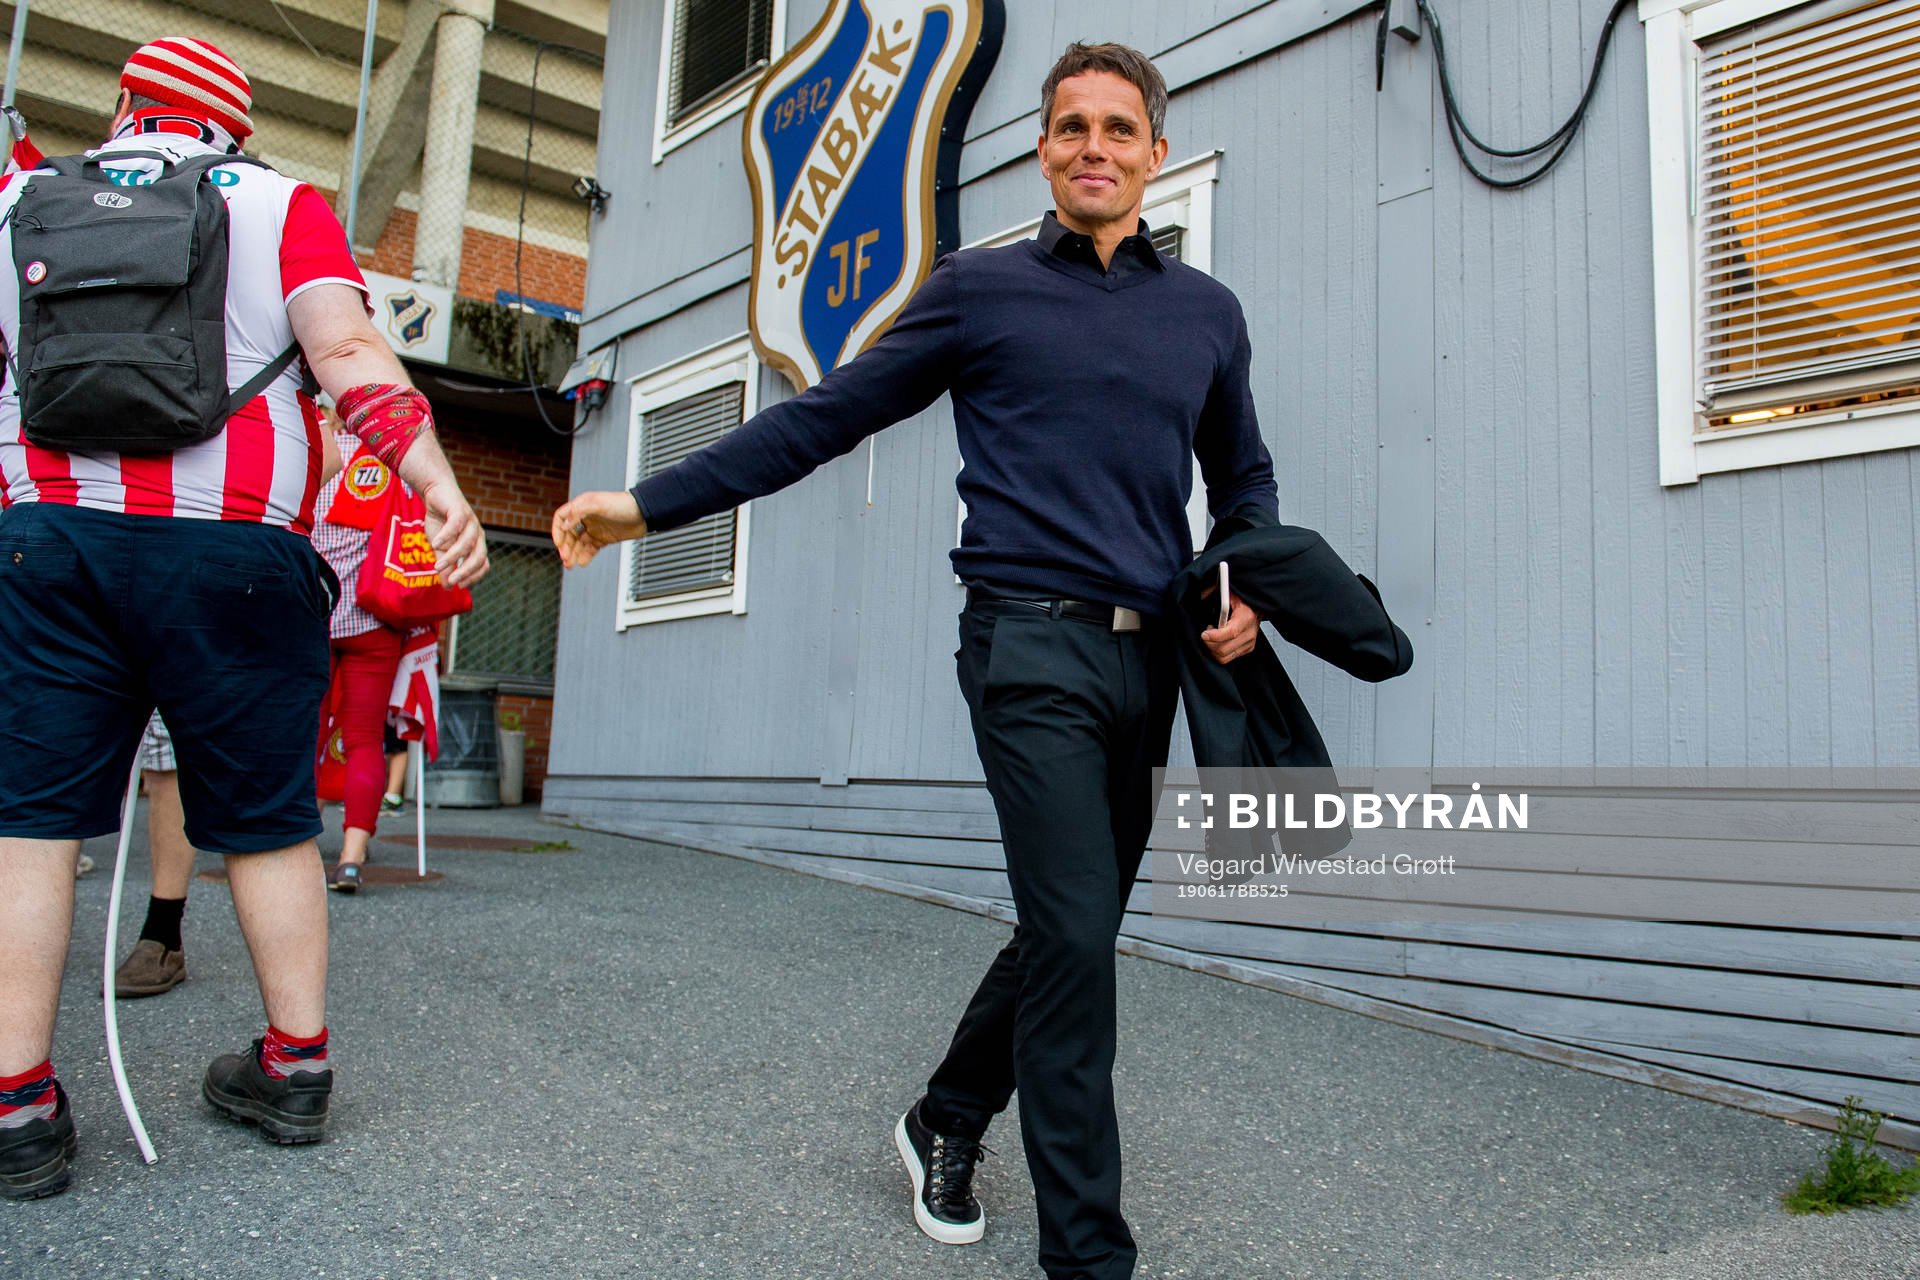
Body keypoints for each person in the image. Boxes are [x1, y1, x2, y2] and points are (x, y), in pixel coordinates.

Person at [554, 43, 1271, 1280]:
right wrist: (646, 506)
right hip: (1026, 645)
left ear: (1155, 151)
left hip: (1151, 659)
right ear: (1041, 149)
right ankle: (1089, 1258)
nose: (1093, 147)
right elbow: (822, 416)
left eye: (1118, 128)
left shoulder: (1207, 313)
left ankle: (947, 1111)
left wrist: (1241, 576)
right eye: (1071, 126)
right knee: (1077, 947)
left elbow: (1244, 475)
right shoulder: (979, 290)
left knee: (1072, 927)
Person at [0, 37, 488, 1200]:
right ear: (234, 127)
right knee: (266, 821)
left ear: (126, 105)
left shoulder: (23, 199)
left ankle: (18, 1104)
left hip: (49, 540)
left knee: (29, 821)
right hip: (239, 553)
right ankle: (293, 1066)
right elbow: (349, 352)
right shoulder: (278, 204)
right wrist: (436, 482)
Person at [312, 400, 408, 894]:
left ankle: (295, 847)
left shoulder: (316, 455)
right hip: (377, 618)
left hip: (315, 615)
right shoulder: (397, 464)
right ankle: (351, 857)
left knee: (306, 731)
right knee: (366, 739)